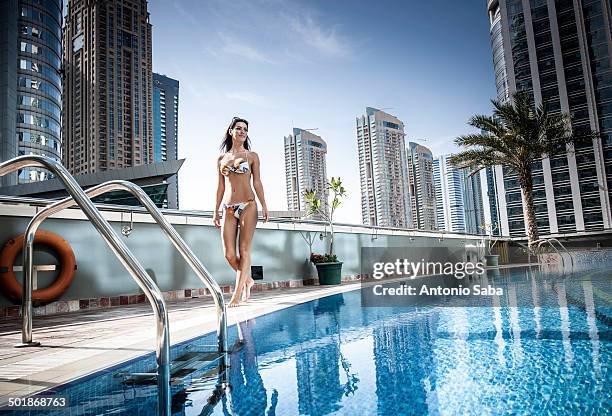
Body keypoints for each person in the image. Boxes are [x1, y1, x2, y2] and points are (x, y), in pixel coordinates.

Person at [215, 117, 269, 307]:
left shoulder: (252, 156)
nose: (242, 131)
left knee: (244, 249)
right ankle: (247, 280)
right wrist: (215, 211)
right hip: (228, 208)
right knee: (229, 254)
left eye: (245, 129)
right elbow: (220, 187)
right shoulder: (221, 159)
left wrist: (264, 205)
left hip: (248, 205)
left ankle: (237, 295)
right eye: (238, 128)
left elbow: (257, 182)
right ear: (231, 131)